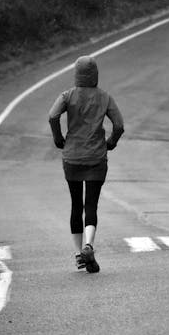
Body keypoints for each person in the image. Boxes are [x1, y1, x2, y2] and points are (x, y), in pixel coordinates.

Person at [48, 55, 124, 273]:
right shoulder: (105, 97)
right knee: (91, 205)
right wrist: (110, 143)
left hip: (72, 157)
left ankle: (78, 253)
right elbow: (119, 125)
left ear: (76, 75)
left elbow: (52, 116)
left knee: (75, 205)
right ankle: (89, 245)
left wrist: (58, 138)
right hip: (96, 158)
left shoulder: (68, 96)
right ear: (96, 75)